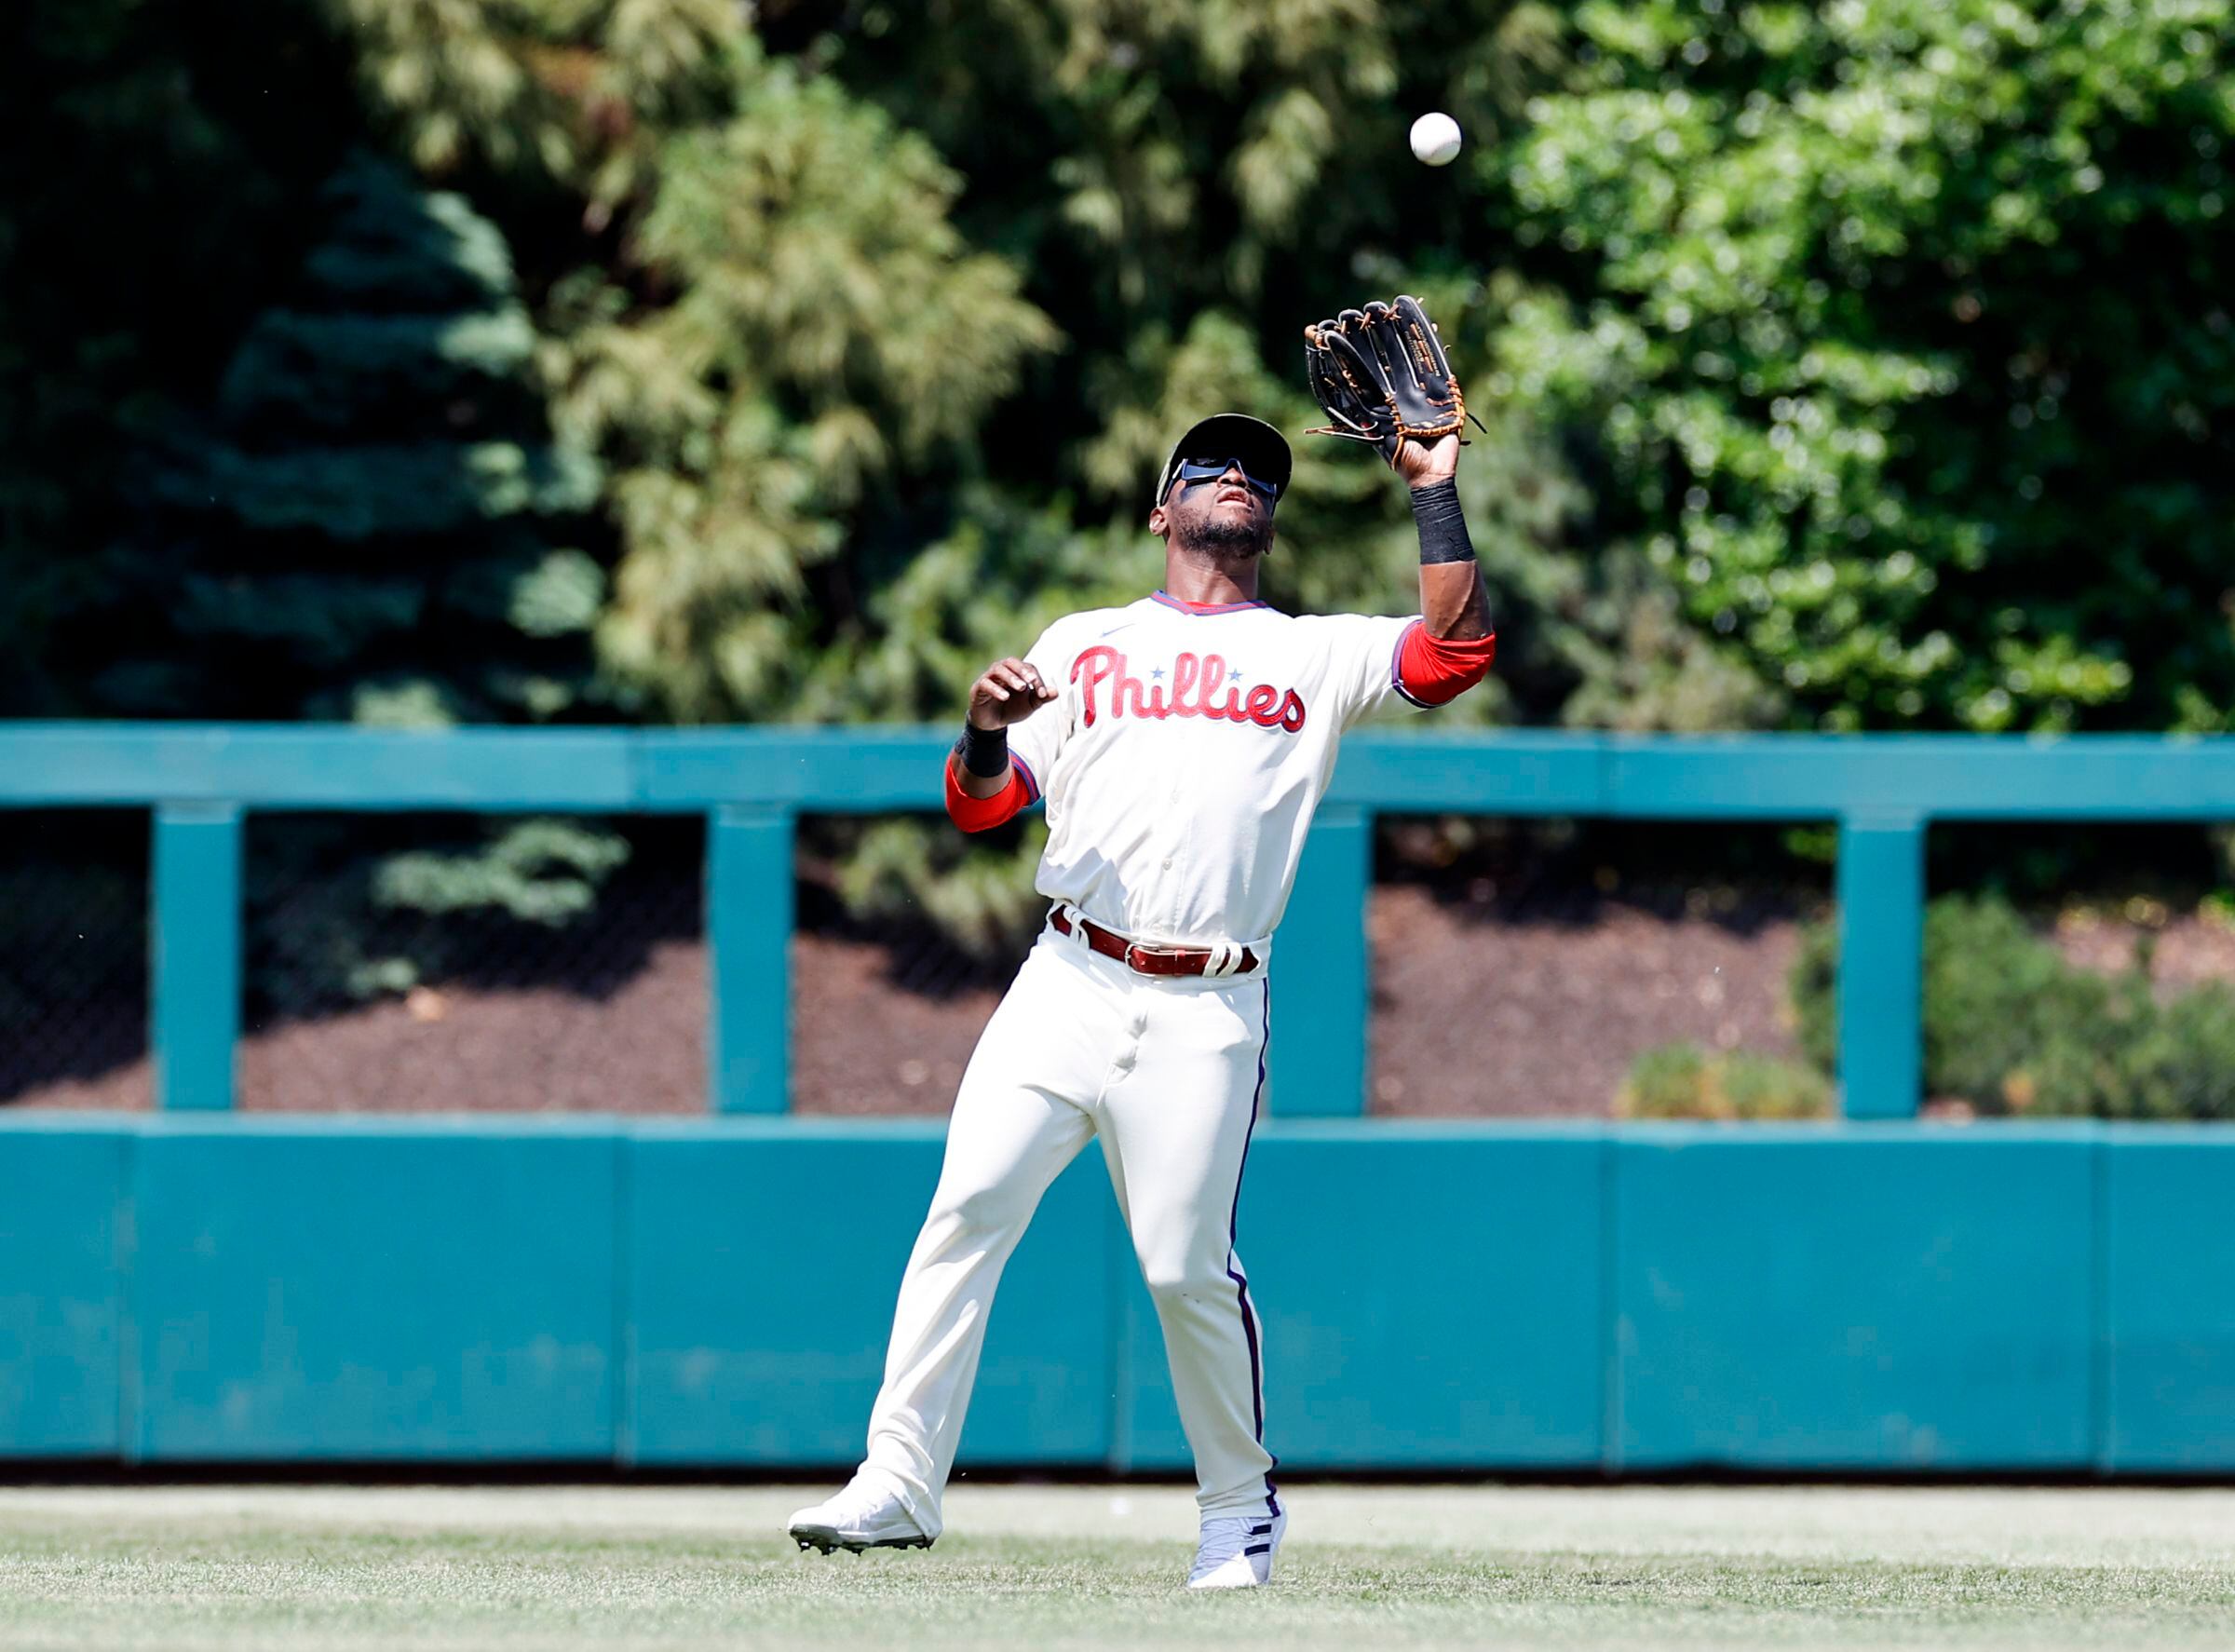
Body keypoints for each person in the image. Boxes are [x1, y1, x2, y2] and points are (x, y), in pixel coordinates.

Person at [787, 412, 1497, 1588]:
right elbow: (981, 806)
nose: (1235, 479)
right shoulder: (1085, 640)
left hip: (1207, 1005)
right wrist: (979, 729)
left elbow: (1453, 656)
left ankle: (1238, 1508)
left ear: (1270, 517)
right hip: (1067, 976)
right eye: (1208, 468)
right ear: (1160, 511)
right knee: (964, 1210)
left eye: (1258, 474)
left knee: (1182, 1269)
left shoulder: (1310, 653)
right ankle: (899, 1482)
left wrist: (1433, 490)